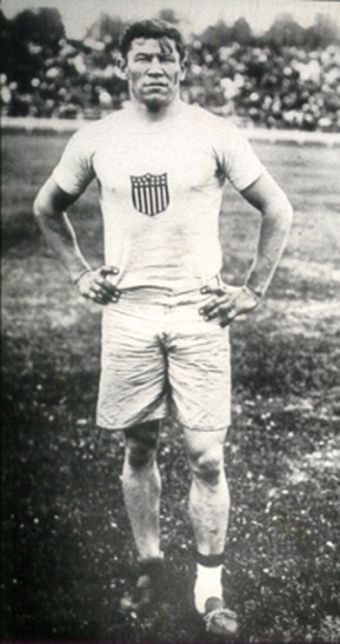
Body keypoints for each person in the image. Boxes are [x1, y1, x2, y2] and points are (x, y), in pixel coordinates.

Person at [33, 19, 293, 636]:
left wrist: (252, 290)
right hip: (129, 315)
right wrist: (78, 273)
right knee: (139, 444)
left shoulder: (213, 133)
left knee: (206, 456)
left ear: (182, 67)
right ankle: (149, 567)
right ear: (123, 66)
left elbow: (277, 208)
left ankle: (210, 587)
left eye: (166, 58)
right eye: (143, 57)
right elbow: (48, 207)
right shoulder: (97, 138)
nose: (155, 67)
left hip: (199, 313)